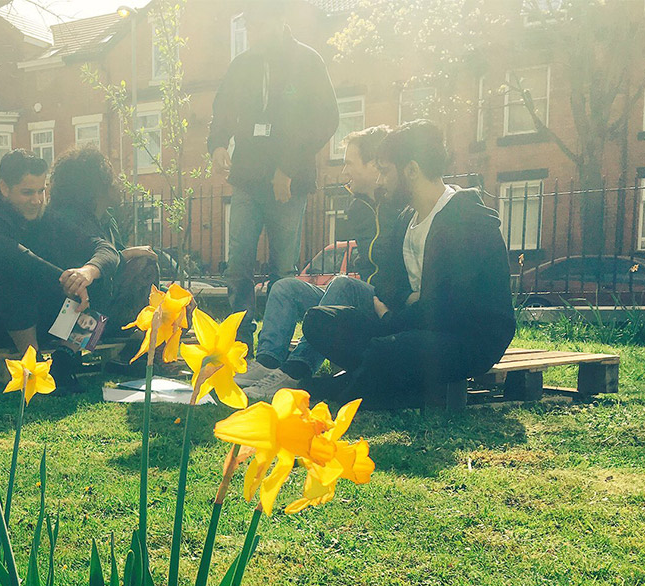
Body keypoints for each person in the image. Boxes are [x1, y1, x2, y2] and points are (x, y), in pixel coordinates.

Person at [301, 120, 516, 407]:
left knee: (390, 349)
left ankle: (346, 391)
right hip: (409, 325)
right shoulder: (406, 219)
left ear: (412, 170)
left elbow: (451, 308)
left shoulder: (467, 220)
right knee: (319, 321)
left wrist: (393, 318)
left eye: (386, 171)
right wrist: (409, 300)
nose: (380, 182)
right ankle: (389, 384)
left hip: (467, 338)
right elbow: (386, 283)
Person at [239, 125, 412, 399]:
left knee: (342, 284)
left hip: (384, 304)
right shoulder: (357, 207)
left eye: (350, 163)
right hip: (359, 297)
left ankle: (295, 372)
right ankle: (268, 363)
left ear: (373, 165)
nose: (345, 172)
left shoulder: (400, 206)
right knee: (285, 287)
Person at [207, 0, 339, 351]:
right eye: (248, 26)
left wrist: (288, 167)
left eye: (258, 25)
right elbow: (223, 108)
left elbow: (327, 120)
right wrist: (218, 144)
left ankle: (275, 344)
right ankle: (240, 342)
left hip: (288, 183)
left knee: (283, 269)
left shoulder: (308, 62)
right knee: (238, 264)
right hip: (247, 178)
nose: (252, 33)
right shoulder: (242, 64)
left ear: (280, 21)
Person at [0, 149, 103, 356]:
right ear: (5, 188)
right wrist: (65, 281)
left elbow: (101, 247)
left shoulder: (43, 213)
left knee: (94, 275)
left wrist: (88, 271)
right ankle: (32, 363)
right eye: (28, 192)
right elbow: (16, 257)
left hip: (25, 318)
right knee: (11, 268)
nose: (37, 200)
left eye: (41, 191)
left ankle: (67, 358)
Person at [24, 145, 158, 336]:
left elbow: (117, 263)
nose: (118, 182)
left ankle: (134, 340)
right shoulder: (66, 220)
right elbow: (79, 267)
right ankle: (83, 350)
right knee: (137, 266)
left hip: (93, 313)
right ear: (97, 186)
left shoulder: (106, 220)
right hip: (62, 316)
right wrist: (126, 254)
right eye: (111, 177)